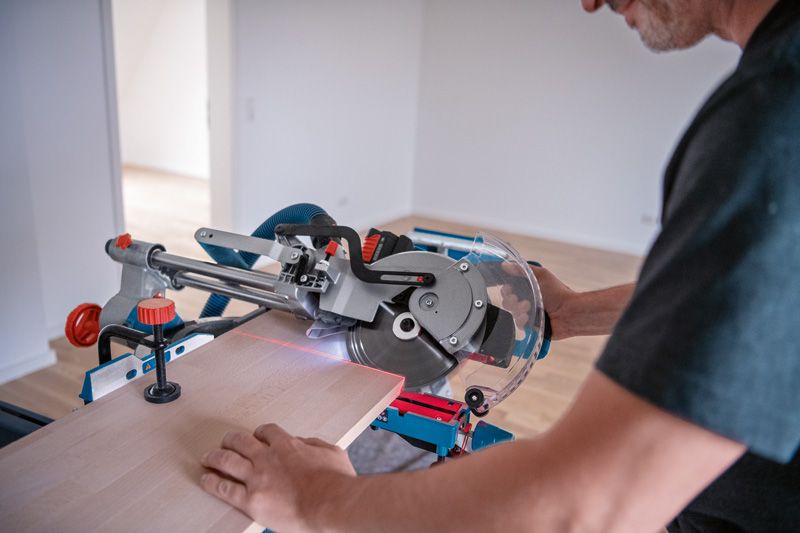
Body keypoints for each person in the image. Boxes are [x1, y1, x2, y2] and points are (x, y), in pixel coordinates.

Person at [199, 1, 800, 530]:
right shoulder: (774, 96)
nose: (590, 4)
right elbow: (747, 304)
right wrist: (572, 312)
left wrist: (317, 499)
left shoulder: (771, 117)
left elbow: (583, 507)